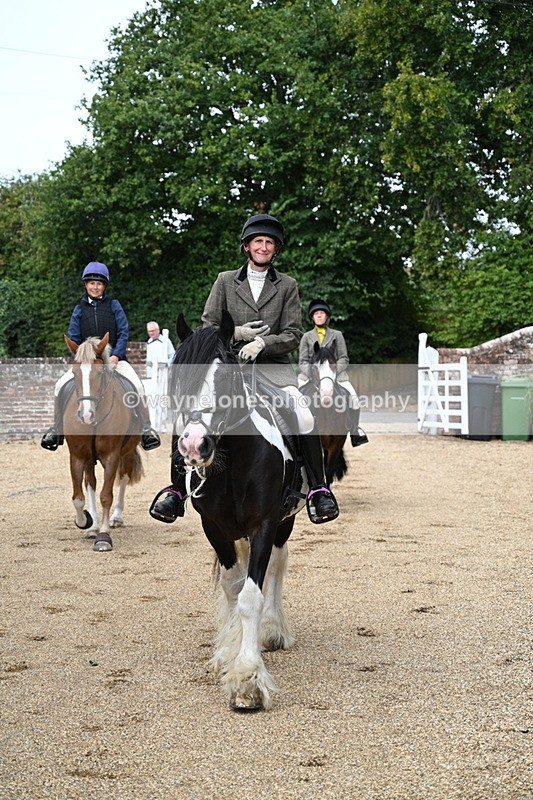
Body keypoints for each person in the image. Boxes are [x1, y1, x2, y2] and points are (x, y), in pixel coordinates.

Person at [150, 213, 340, 525]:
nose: (263, 247)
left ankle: (318, 489)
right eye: (258, 242)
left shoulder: (287, 285)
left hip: (273, 368)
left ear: (275, 249)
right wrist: (237, 335)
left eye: (269, 243)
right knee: (188, 410)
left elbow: (293, 334)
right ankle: (176, 491)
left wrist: (263, 344)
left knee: (303, 411)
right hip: (228, 367)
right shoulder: (225, 281)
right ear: (247, 247)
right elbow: (209, 327)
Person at [40, 262, 161, 452]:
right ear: (85, 285)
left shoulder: (114, 305)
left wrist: (116, 356)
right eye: (91, 283)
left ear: (104, 286)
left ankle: (146, 430)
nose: (95, 287)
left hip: (114, 360)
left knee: (137, 385)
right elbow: (73, 337)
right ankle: (56, 430)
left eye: (99, 284)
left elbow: (123, 332)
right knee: (59, 386)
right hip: (88, 363)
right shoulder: (79, 309)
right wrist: (81, 358)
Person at [299, 298, 368, 447]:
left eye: (322, 313)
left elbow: (344, 358)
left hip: (335, 376)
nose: (319, 315)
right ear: (312, 317)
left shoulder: (337, 335)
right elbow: (302, 361)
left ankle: (355, 433)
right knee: (294, 400)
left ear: (327, 316)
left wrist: (332, 372)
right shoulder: (306, 337)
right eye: (316, 313)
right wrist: (313, 373)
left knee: (354, 399)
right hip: (310, 377)